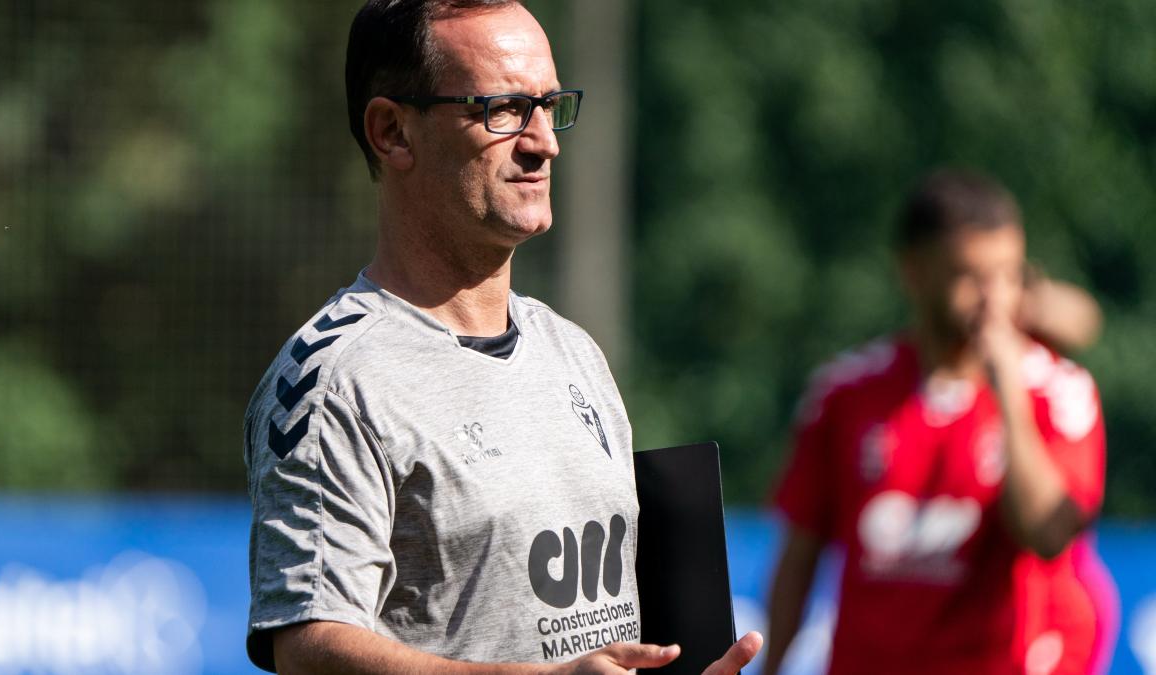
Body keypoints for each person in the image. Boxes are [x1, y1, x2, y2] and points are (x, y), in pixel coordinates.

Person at [242, 1, 762, 673]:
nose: (544, 140)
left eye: (549, 105)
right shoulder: (335, 380)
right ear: (393, 131)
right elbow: (309, 649)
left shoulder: (571, 350)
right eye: (504, 110)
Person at [762, 169, 1107, 675]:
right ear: (914, 271)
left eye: (1008, 276)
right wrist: (772, 666)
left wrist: (1006, 386)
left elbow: (1048, 534)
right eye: (971, 276)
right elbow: (800, 554)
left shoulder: (1056, 391)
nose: (994, 300)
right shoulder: (845, 393)